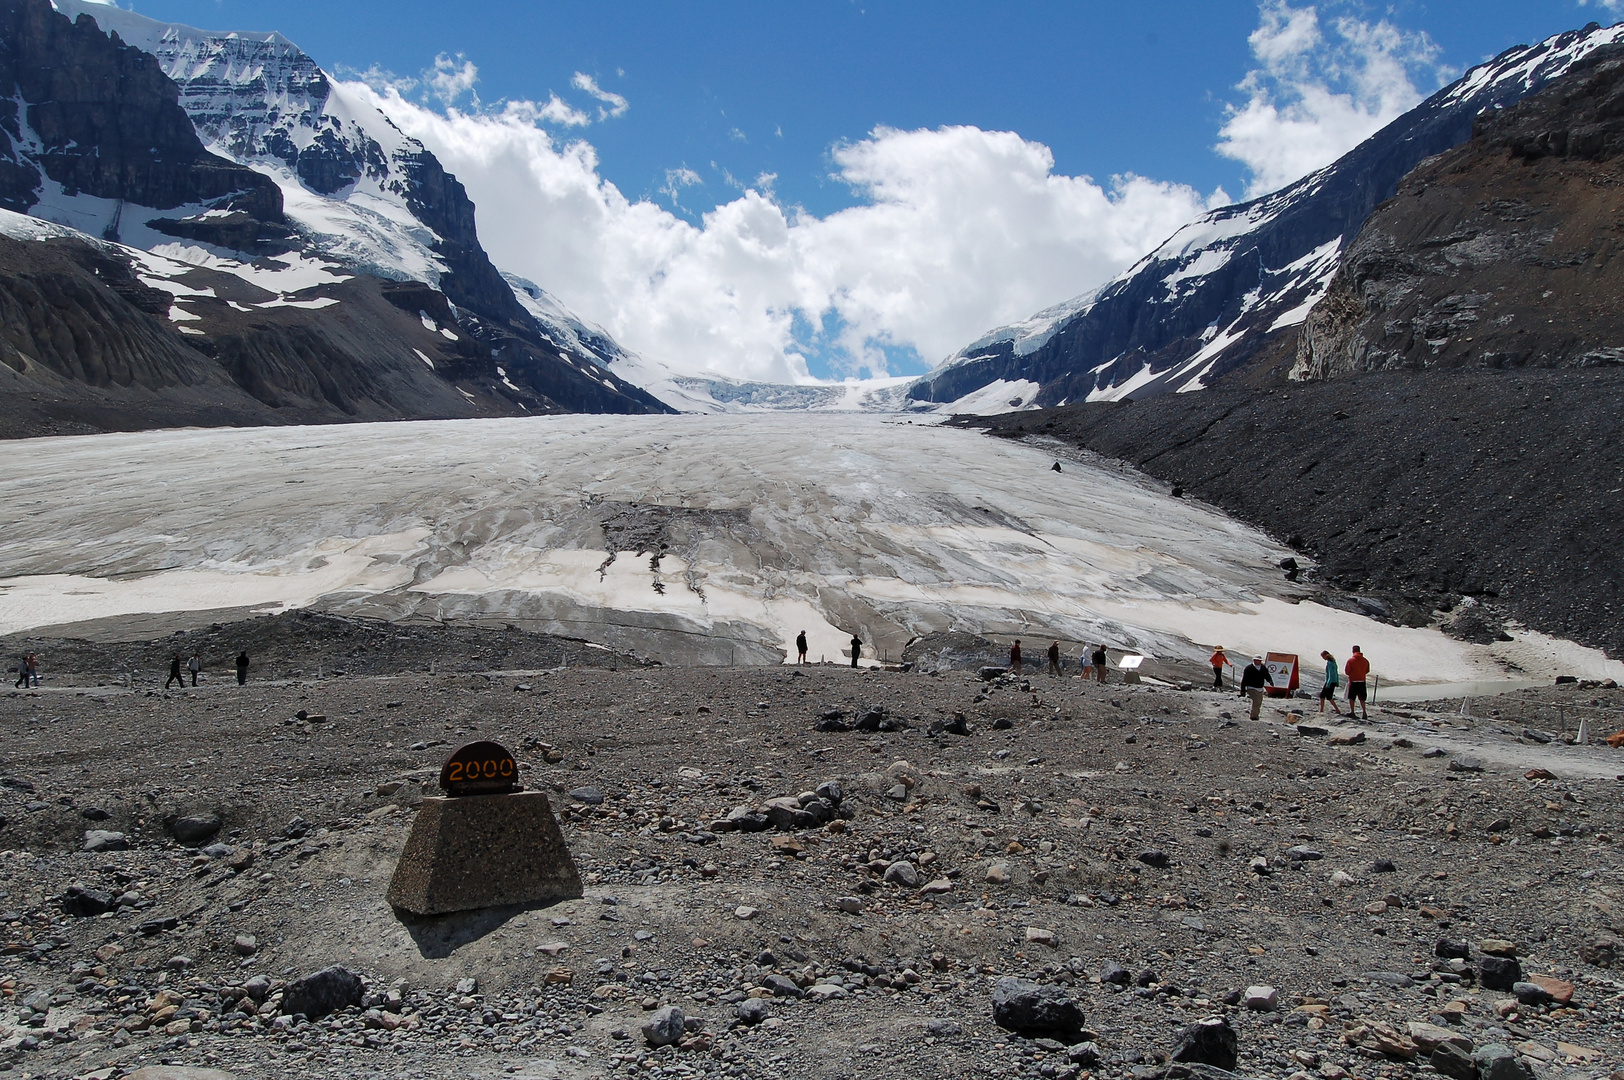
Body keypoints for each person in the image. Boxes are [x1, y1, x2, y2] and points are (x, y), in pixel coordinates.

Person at [1239, 654, 1275, 721]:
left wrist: (1270, 681)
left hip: (1260, 688)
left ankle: (1256, 715)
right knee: (1256, 701)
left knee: (1259, 702)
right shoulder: (1249, 668)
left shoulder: (1263, 668)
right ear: (1254, 660)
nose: (1257, 661)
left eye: (1259, 660)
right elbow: (1244, 680)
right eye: (1256, 660)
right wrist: (1243, 690)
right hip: (1251, 688)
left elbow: (1267, 675)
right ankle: (1253, 716)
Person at [1344, 645, 1371, 720]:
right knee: (1362, 698)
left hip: (1353, 681)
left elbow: (1347, 671)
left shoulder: (1351, 660)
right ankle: (1364, 712)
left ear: (1353, 651)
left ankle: (1352, 712)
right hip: (1362, 681)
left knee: (1352, 697)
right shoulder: (1365, 660)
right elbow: (1367, 670)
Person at [1318, 650, 1342, 715]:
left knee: (1323, 695)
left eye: (1323, 656)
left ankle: (1322, 710)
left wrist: (1328, 683)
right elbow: (1336, 673)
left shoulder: (1330, 663)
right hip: (1333, 681)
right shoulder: (1333, 662)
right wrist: (1337, 681)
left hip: (1330, 681)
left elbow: (1331, 674)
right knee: (1328, 696)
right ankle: (1335, 709)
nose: (1323, 658)